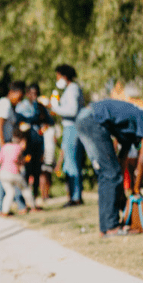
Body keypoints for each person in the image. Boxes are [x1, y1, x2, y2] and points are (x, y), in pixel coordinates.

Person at [76, 99, 143, 236]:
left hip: (85, 118)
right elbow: (142, 159)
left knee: (107, 174)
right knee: (110, 174)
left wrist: (122, 194)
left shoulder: (131, 131)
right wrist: (136, 189)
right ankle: (111, 227)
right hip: (93, 119)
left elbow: (122, 161)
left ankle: (105, 228)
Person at [0, 81, 27, 214]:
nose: (20, 100)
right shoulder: (5, 103)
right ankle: (1, 208)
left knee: (6, 175)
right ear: (12, 92)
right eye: (19, 96)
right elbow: (0, 124)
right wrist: (4, 146)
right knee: (5, 175)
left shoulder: (11, 106)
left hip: (3, 143)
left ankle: (8, 206)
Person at [52, 64, 85, 207]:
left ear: (64, 76)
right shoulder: (72, 89)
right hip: (72, 128)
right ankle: (74, 195)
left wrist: (55, 108)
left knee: (71, 164)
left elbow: (72, 111)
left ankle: (75, 197)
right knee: (72, 163)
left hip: (72, 127)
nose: (57, 79)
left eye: (58, 76)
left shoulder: (72, 90)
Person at [16, 83, 54, 203]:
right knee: (26, 171)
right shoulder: (22, 106)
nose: (34, 96)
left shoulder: (41, 106)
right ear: (27, 94)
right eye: (31, 93)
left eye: (36, 93)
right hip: (27, 143)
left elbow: (49, 121)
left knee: (37, 171)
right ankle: (24, 200)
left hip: (38, 142)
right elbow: (19, 121)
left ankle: (35, 198)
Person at [0, 127, 37, 216]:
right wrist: (23, 161)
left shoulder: (5, 147)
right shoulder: (18, 148)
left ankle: (5, 211)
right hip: (13, 172)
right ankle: (33, 206)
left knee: (9, 192)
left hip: (3, 173)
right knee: (25, 188)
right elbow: (18, 161)